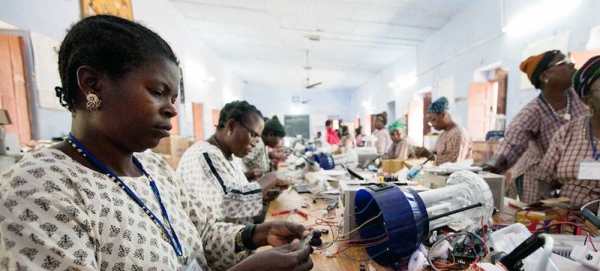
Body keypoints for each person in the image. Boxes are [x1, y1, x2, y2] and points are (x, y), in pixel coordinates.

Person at [0, 15, 313, 271]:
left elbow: (202, 234)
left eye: (174, 97)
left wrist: (257, 234)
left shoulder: (152, 167)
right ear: (92, 84)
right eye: (157, 91)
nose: (172, 108)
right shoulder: (40, 186)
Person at [482, 50, 588, 203]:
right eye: (563, 62)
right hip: (536, 175)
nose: (571, 64)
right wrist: (491, 167)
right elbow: (511, 144)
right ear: (545, 76)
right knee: (537, 217)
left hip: (570, 172)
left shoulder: (581, 97)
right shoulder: (533, 112)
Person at [178, 101, 289, 225]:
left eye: (258, 138)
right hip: (215, 241)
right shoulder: (205, 154)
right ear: (231, 126)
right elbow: (227, 202)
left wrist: (263, 194)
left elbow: (236, 189)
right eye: (253, 135)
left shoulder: (226, 155)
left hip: (237, 232)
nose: (255, 143)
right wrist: (272, 177)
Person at [534, 56, 600, 209]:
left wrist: (587, 209)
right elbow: (544, 177)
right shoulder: (568, 132)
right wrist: (547, 198)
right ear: (587, 101)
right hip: (566, 221)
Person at [415, 97, 473, 166]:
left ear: (443, 115)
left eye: (434, 120)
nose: (432, 125)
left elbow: (454, 163)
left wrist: (429, 155)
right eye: (430, 122)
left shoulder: (458, 134)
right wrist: (424, 153)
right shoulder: (443, 134)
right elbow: (437, 154)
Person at [241, 116, 286, 181]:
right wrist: (249, 174)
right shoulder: (257, 143)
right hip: (253, 184)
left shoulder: (263, 144)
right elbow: (243, 161)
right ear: (270, 135)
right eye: (280, 138)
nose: (280, 141)